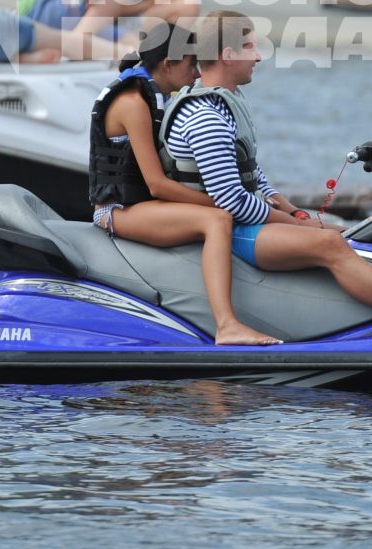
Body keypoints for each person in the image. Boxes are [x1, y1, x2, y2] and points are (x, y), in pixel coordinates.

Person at [159, 14, 372, 330]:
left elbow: (251, 173)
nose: (257, 56)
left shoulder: (227, 102)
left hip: (242, 222)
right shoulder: (206, 119)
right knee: (330, 243)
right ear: (228, 55)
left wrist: (296, 212)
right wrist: (300, 224)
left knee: (346, 233)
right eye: (250, 48)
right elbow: (232, 203)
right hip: (228, 232)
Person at [89, 26, 278, 346]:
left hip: (143, 206)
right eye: (192, 65)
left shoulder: (156, 95)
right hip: (116, 210)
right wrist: (222, 203)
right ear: (168, 65)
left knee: (223, 212)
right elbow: (157, 184)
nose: (196, 73)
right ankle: (227, 325)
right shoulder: (133, 102)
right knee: (217, 219)